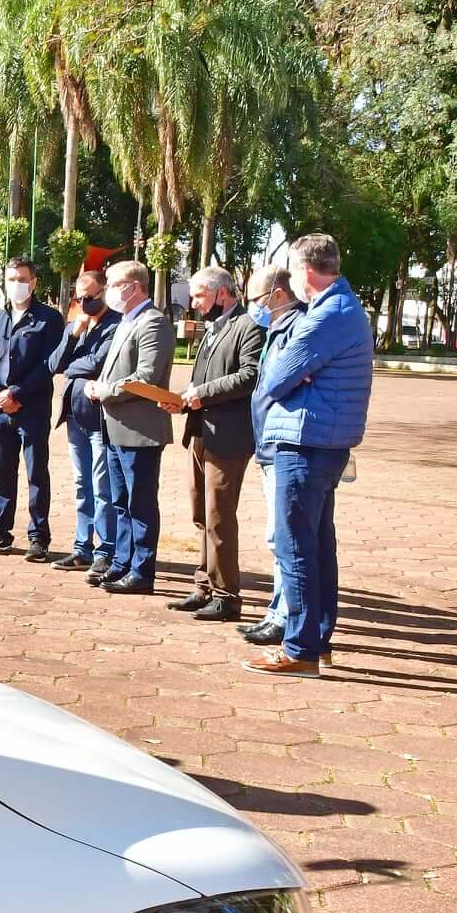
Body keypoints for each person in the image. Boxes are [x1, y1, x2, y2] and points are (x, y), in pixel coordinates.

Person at [247, 233, 374, 677]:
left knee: (295, 545)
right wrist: (293, 373)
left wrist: (293, 374)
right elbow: (282, 374)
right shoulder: (332, 309)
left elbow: (275, 377)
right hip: (318, 439)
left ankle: (299, 648)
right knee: (316, 543)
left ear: (303, 271)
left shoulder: (329, 314)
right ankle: (315, 640)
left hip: (306, 442)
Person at [168, 266, 264, 623]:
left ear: (222, 293)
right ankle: (204, 585)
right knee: (199, 514)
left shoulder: (248, 326)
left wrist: (200, 395)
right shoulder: (212, 329)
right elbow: (202, 383)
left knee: (219, 515)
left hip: (229, 436)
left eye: (199, 296)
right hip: (200, 432)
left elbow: (249, 375)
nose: (193, 304)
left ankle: (227, 595)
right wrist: (181, 400)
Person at [86, 260, 174, 594]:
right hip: (115, 426)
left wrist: (104, 390)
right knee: (120, 501)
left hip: (140, 430)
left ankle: (141, 570)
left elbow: (146, 378)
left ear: (134, 286)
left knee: (140, 503)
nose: (107, 289)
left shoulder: (153, 323)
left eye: (112, 283)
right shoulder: (127, 321)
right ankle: (122, 562)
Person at [0, 258, 63, 559]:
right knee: (2, 473)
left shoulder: (49, 319)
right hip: (0, 411)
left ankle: (39, 537)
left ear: (34, 282)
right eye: (11, 279)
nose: (17, 284)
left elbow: (49, 364)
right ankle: (0, 532)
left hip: (32, 409)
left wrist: (18, 393)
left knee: (36, 474)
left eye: (22, 279)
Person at [241, 266, 305, 646]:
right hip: (268, 445)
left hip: (284, 446)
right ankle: (277, 612)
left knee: (282, 538)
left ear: (278, 295)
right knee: (275, 537)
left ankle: (284, 617)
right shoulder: (275, 330)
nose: (254, 307)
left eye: (256, 298)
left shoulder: (296, 327)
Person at [48, 270, 119, 572]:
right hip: (74, 415)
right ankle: (81, 548)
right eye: (80, 297)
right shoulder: (73, 325)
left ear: (104, 292)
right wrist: (74, 334)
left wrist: (72, 367)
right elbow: (54, 364)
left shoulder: (116, 324)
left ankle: (106, 550)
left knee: (103, 487)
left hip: (100, 418)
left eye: (90, 297)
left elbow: (98, 363)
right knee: (82, 485)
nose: (85, 302)